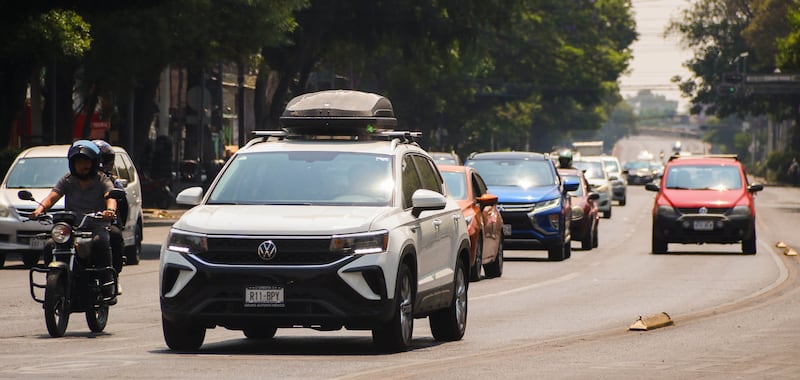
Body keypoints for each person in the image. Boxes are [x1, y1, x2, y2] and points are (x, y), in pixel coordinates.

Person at [29, 140, 118, 298]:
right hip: (72, 227)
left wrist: (109, 210)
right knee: (50, 244)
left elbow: (110, 196)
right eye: (78, 162)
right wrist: (39, 210)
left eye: (85, 161)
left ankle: (107, 281)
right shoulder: (67, 180)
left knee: (101, 241)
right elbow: (52, 197)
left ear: (94, 163)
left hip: (95, 226)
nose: (81, 165)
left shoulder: (102, 179)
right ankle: (54, 281)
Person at [93, 140, 128, 294]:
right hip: (80, 224)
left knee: (114, 235)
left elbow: (120, 203)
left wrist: (114, 217)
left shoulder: (110, 182)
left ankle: (113, 277)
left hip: (103, 224)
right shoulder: (71, 180)